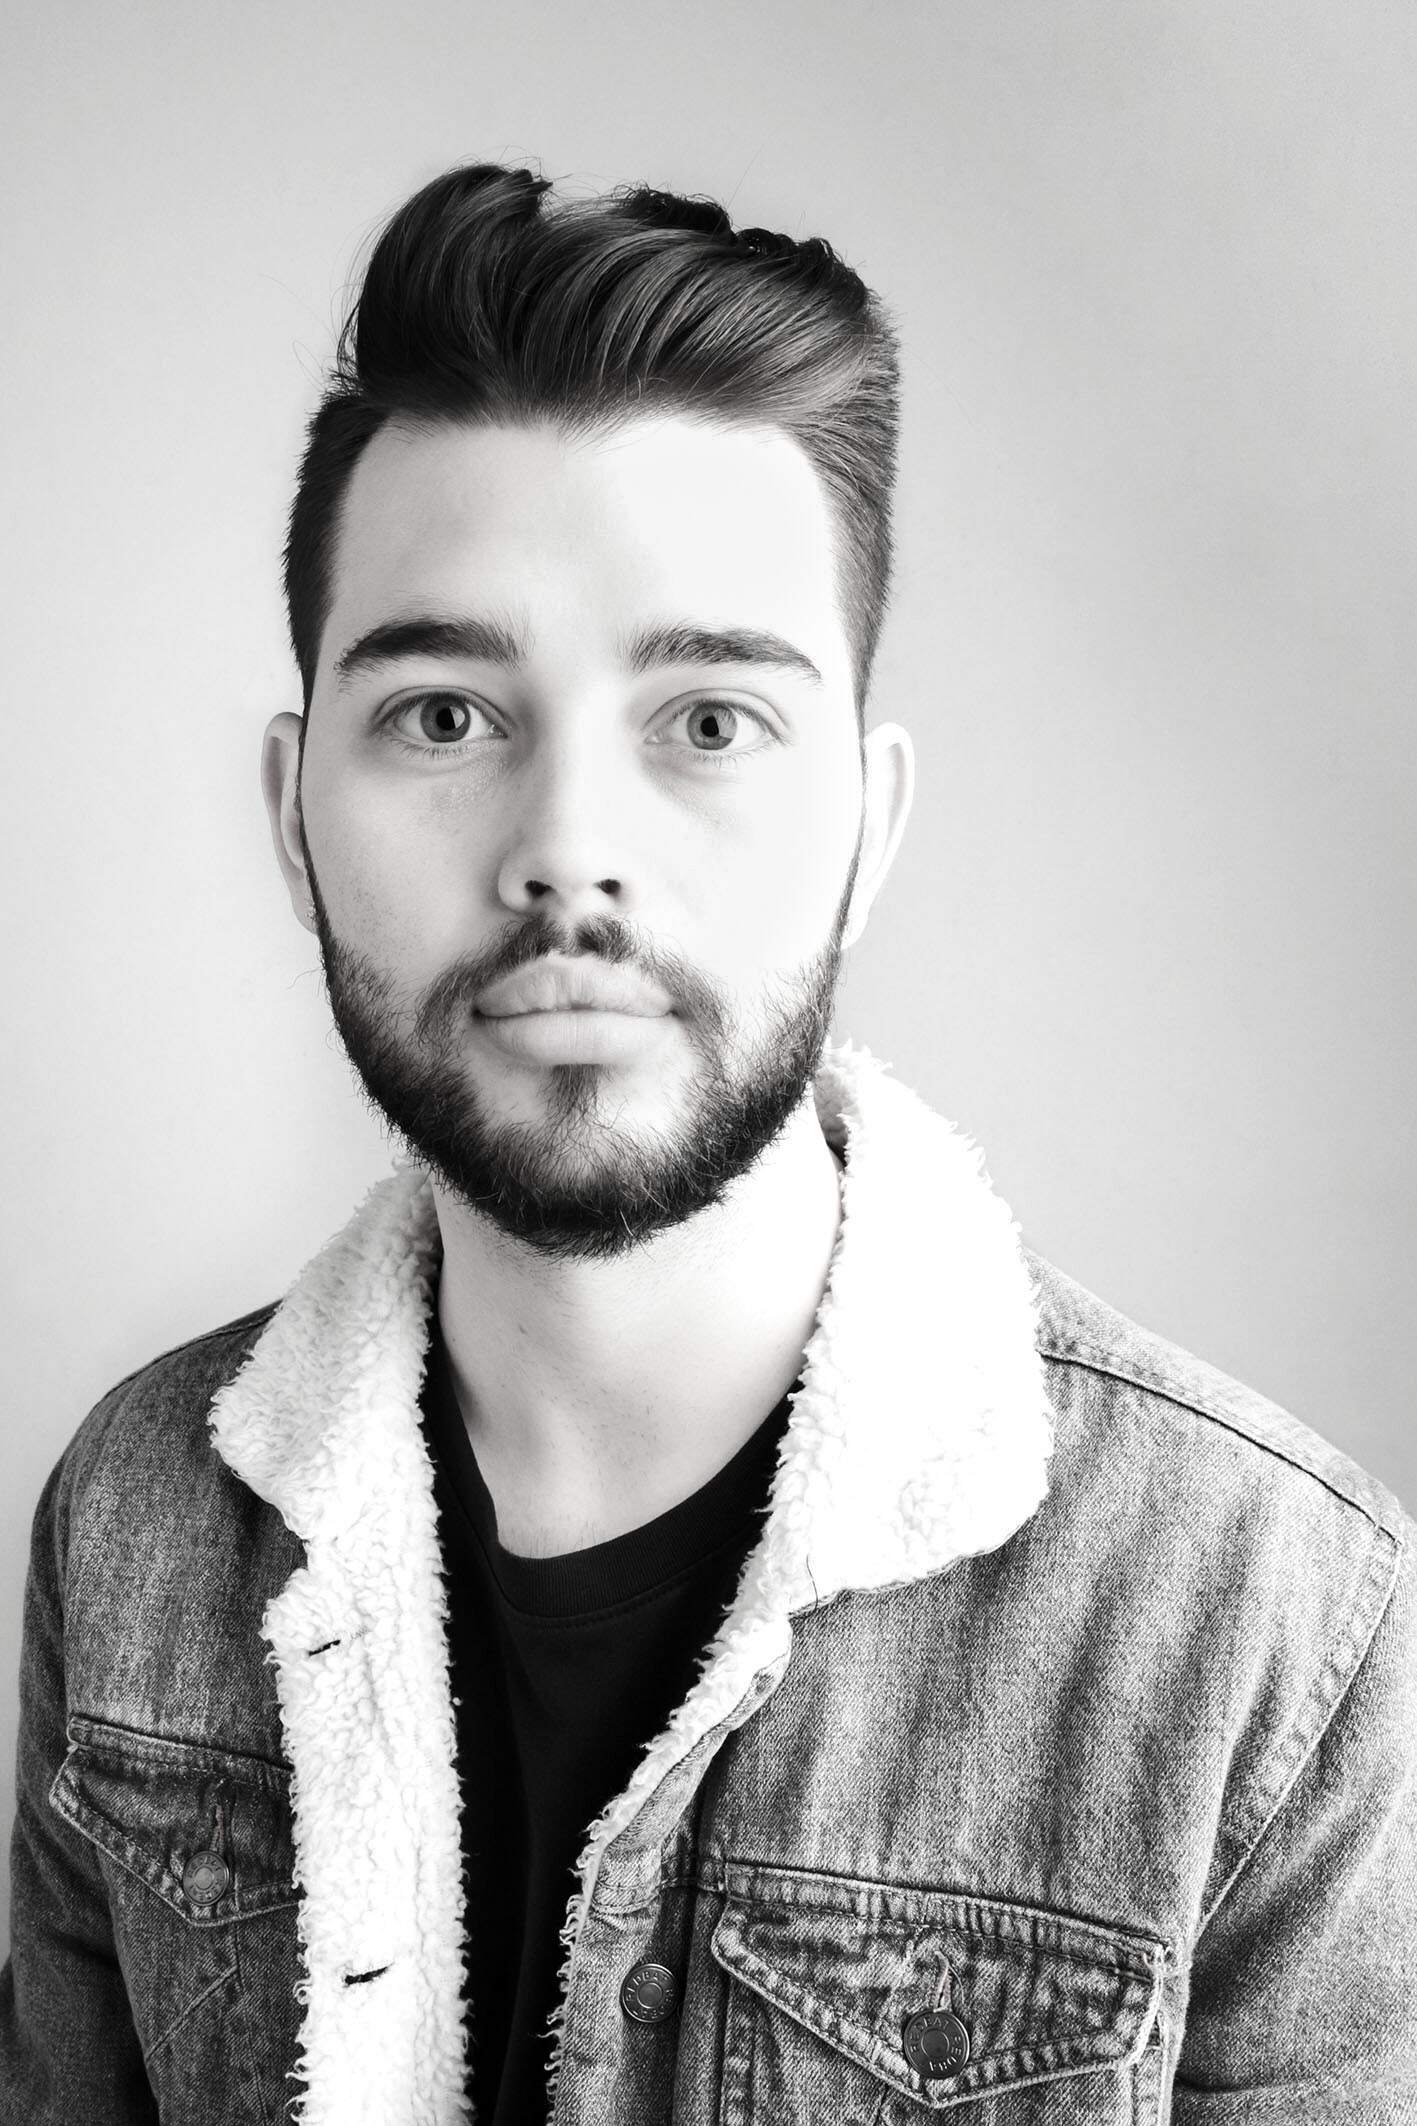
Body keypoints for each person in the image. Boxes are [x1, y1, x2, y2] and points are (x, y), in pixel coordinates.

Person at [2, 159, 1414, 2126]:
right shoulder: (133, 1518)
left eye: (710, 721)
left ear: (868, 829)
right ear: (293, 815)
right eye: (441, 715)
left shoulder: (1272, 1627)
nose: (568, 848)